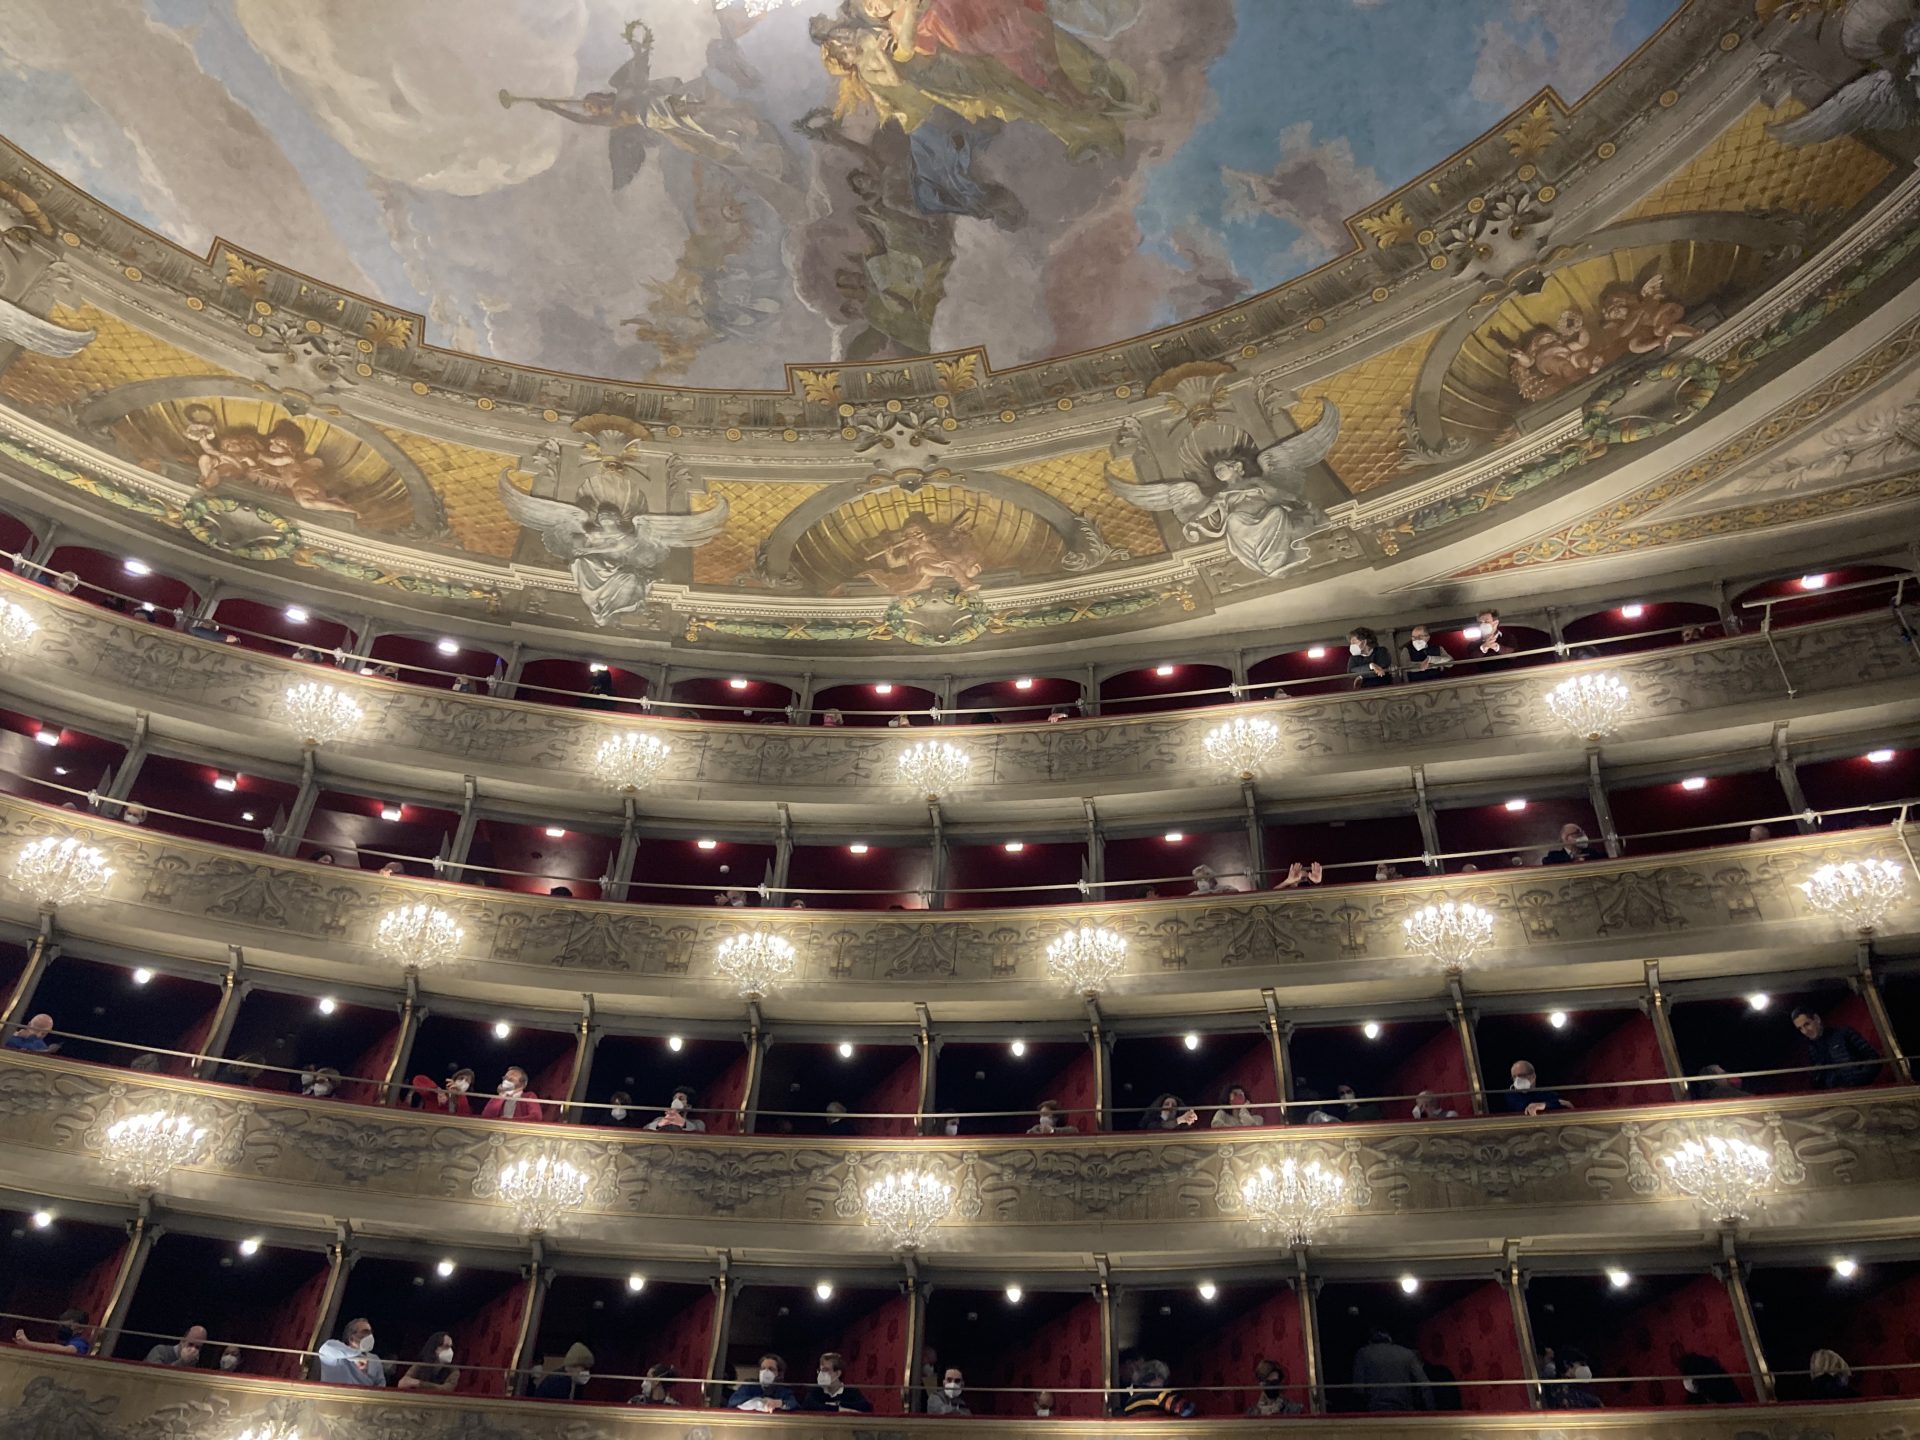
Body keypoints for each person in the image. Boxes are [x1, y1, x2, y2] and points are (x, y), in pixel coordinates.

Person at [1792, 1007, 1882, 1088]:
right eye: (1800, 1028)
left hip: (1858, 1093)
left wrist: (1858, 1081)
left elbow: (1874, 1059)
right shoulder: (1811, 1050)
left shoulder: (1844, 1034)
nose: (1805, 1031)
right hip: (1834, 1099)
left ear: (1817, 1019)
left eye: (1807, 1024)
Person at [1353, 1330, 1434, 1411]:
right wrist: (1431, 1410)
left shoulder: (1363, 1353)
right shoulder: (1407, 1353)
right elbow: (1424, 1384)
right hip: (1404, 1409)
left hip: (1374, 1410)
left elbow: (1358, 1388)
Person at [317, 1318, 385, 1386]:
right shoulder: (336, 1356)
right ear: (351, 1338)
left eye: (370, 1332)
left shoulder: (374, 1359)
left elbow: (381, 1385)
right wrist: (355, 1356)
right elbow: (326, 1348)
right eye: (365, 1332)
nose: (370, 1336)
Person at [802, 1350, 873, 1412]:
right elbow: (807, 1405)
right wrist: (838, 1409)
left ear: (838, 1373)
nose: (821, 1374)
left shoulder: (851, 1392)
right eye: (819, 1370)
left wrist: (837, 1405)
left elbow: (866, 1407)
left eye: (825, 1370)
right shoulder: (815, 1392)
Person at [1120, 1358, 1195, 1417]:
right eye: (1163, 1378)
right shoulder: (1157, 1394)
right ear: (1156, 1377)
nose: (1164, 1383)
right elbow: (1183, 1408)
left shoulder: (1130, 1401)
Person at [729, 1352, 798, 1411]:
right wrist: (759, 1402)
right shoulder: (749, 1385)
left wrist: (779, 1403)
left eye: (771, 1369)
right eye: (763, 1368)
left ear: (779, 1373)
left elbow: (794, 1404)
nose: (766, 1372)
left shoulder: (783, 1390)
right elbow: (733, 1401)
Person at [13, 1308, 92, 1356]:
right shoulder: (64, 1342)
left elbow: (67, 1351)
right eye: (61, 1326)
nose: (63, 1329)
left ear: (80, 1328)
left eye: (68, 1326)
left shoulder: (80, 1342)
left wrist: (29, 1344)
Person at [481, 1066, 549, 1122]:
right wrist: (501, 1096)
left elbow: (536, 1117)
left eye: (511, 1079)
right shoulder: (498, 1098)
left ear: (522, 1084)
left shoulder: (529, 1096)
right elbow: (486, 1116)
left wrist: (509, 1121)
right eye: (505, 1078)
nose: (506, 1081)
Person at [1505, 1061, 1574, 1115]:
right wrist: (1550, 1104)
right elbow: (1522, 1107)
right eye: (1514, 1077)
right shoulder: (1510, 1095)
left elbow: (1567, 1104)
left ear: (1533, 1076)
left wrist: (1543, 1105)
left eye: (1521, 1075)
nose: (1517, 1080)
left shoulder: (1544, 1092)